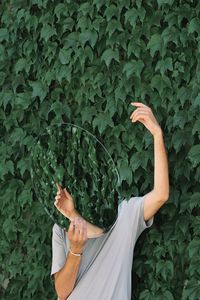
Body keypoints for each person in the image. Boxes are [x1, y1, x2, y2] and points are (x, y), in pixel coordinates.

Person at [50, 102, 169, 300]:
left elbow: (161, 195)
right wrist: (75, 250)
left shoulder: (125, 215)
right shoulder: (61, 228)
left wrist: (157, 135)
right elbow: (62, 292)